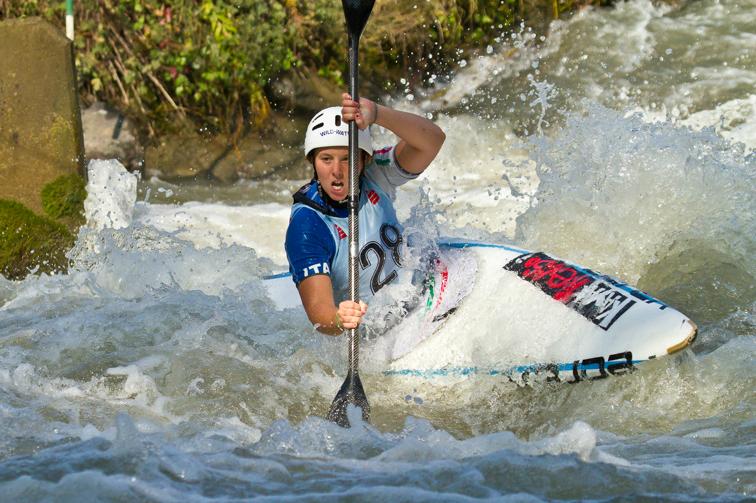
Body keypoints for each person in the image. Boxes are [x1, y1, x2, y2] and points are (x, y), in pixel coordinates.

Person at [285, 93, 445, 335]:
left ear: (364, 159)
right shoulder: (307, 225)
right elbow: (319, 311)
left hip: (419, 295)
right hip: (375, 332)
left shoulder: (375, 174)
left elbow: (432, 140)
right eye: (326, 159)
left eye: (347, 159)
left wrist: (378, 114)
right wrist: (338, 318)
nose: (337, 172)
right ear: (313, 161)